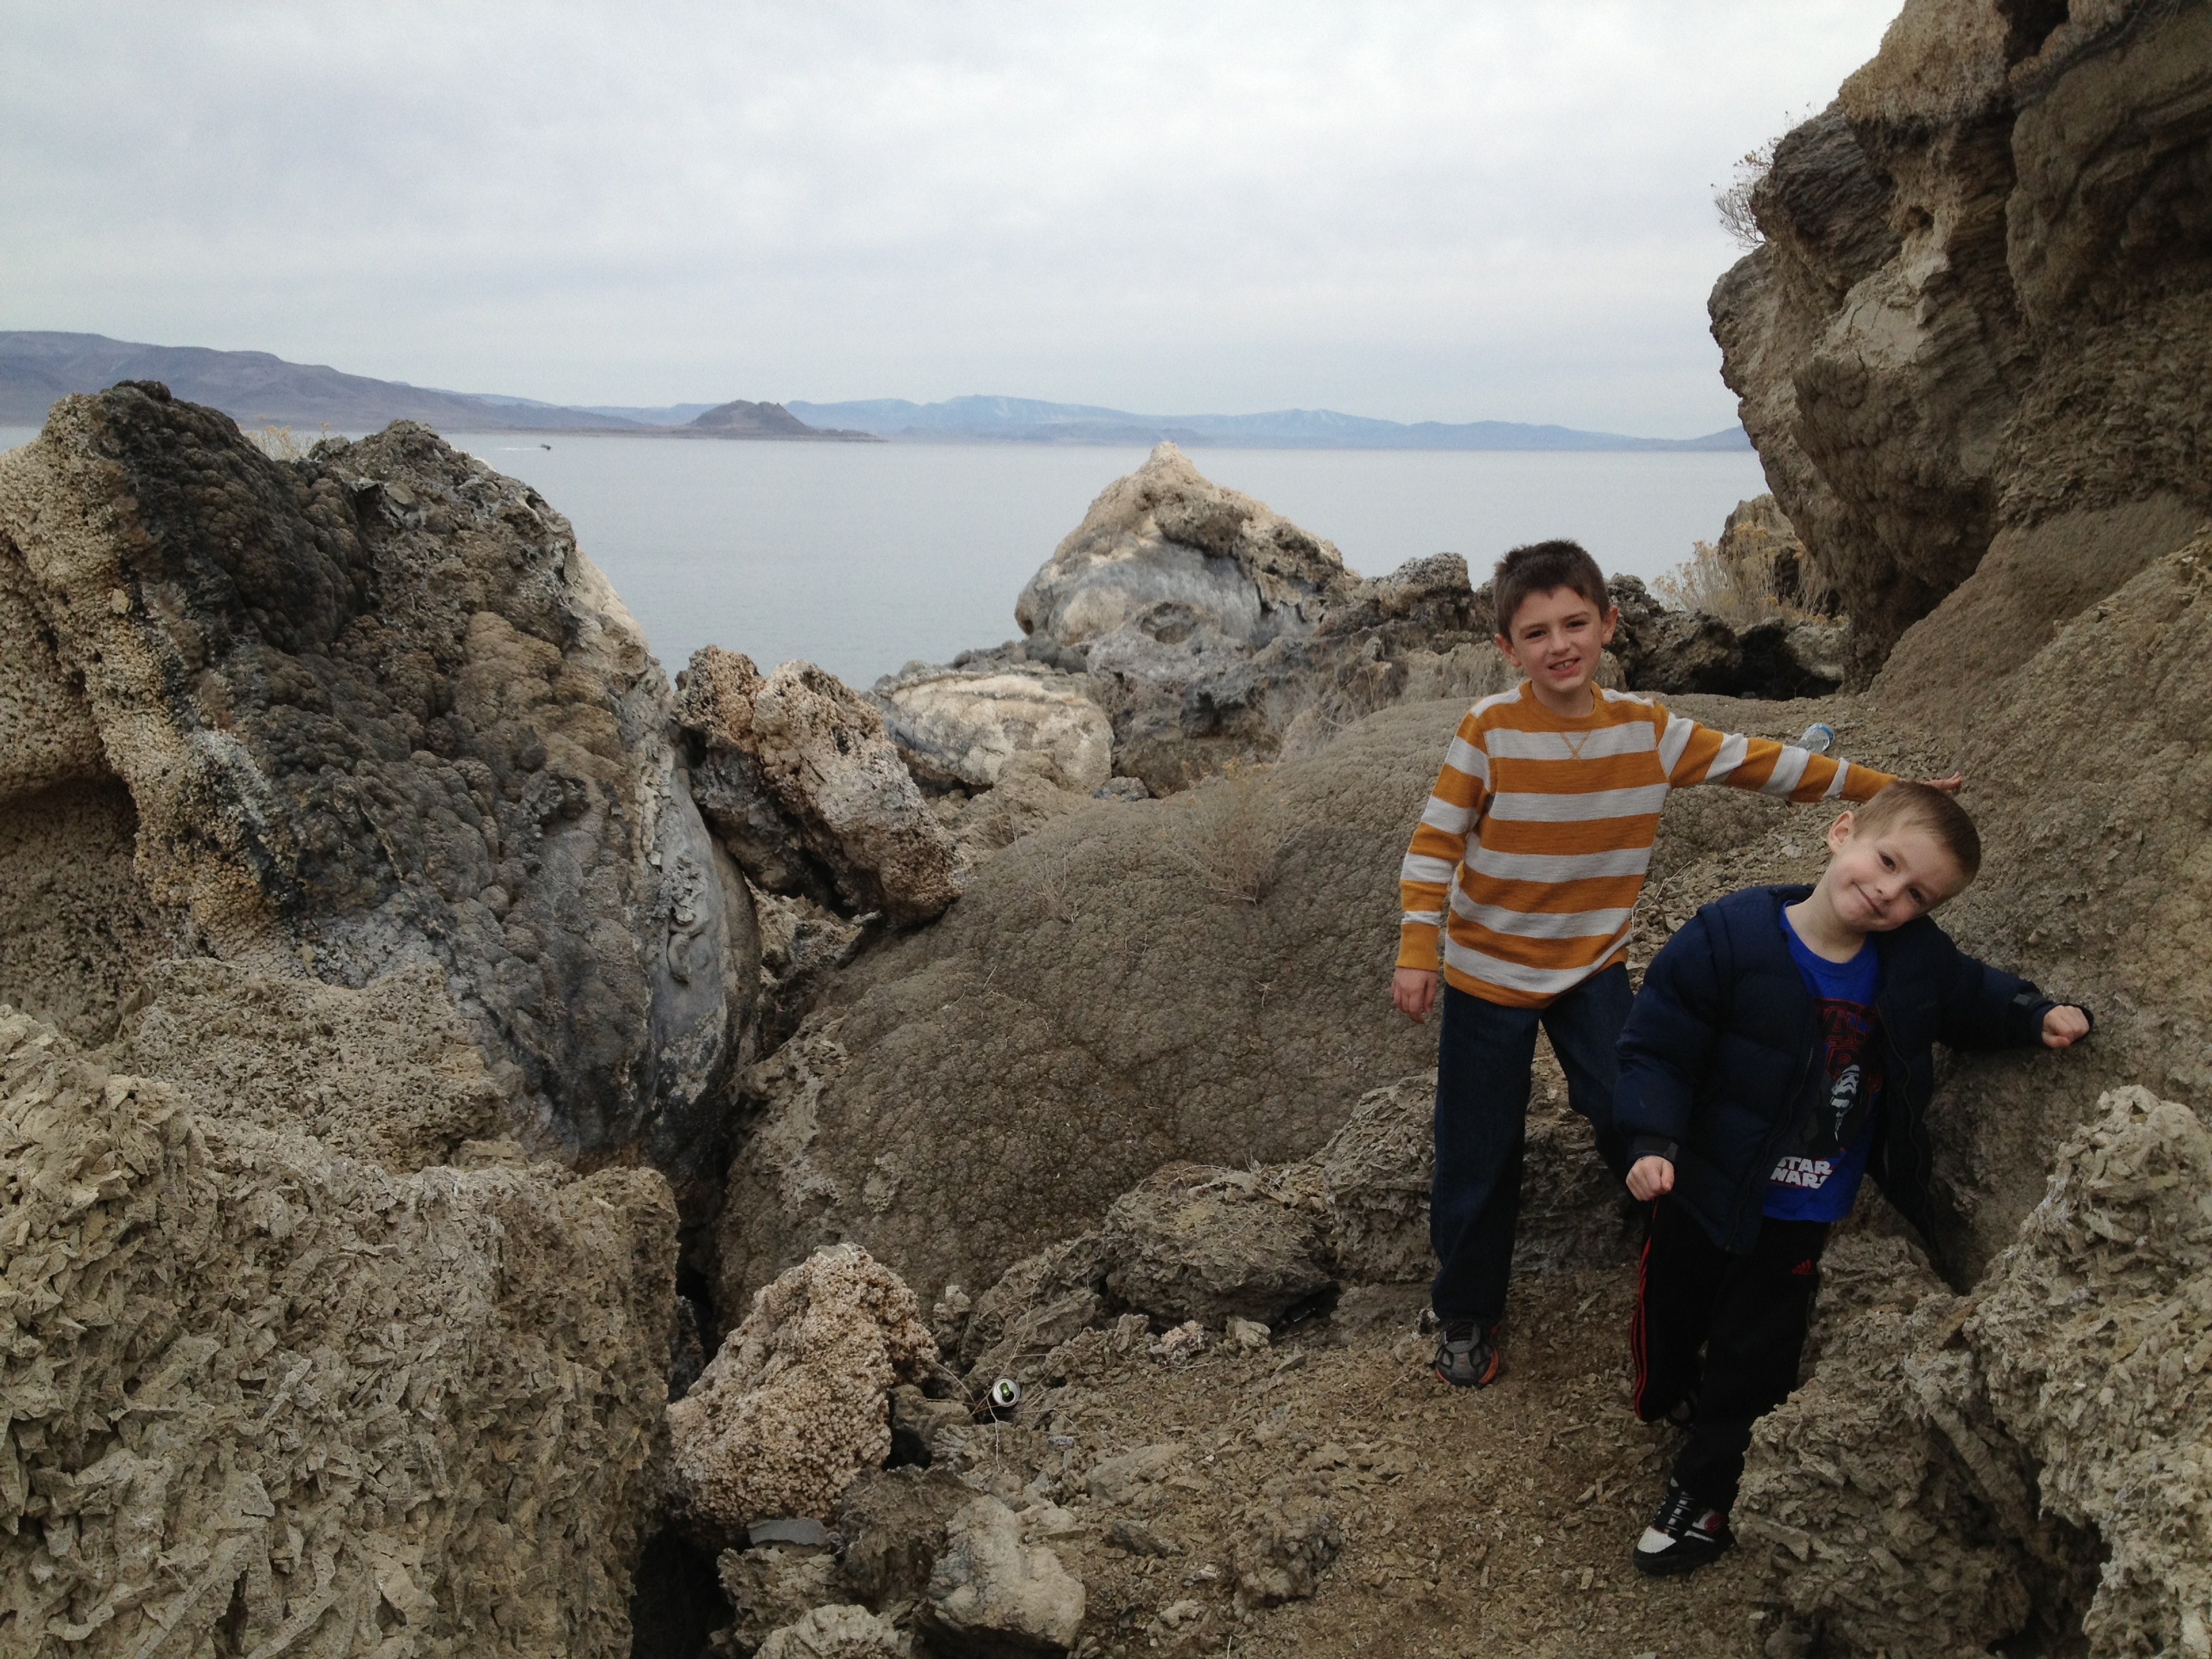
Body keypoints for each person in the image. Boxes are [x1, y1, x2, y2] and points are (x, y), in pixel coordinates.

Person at [1391, 538, 1943, 1389]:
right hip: (1486, 973)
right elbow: (1435, 844)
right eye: (1536, 633)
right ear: (1507, 648)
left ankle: (1676, 1246)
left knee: (1635, 1108)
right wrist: (1418, 949)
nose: (1560, 645)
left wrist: (1886, 791)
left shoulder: (1646, 730)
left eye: (1575, 623)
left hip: (1590, 967)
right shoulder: (1489, 730)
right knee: (1478, 1145)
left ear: (1609, 624)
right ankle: (1467, 1308)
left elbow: (1763, 763)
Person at [1613, 782, 2091, 1574]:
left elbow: (1970, 994)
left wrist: (2033, 1016)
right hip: (1701, 1183)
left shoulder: (1914, 961)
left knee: (1759, 1347)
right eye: (1888, 862)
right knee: (1672, 1307)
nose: (1889, 893)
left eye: (1917, 894)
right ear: (1843, 832)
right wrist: (1651, 1136)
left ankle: (1707, 1490)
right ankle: (1668, 1391)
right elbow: (1658, 1045)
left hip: (1805, 1204)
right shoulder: (1730, 936)